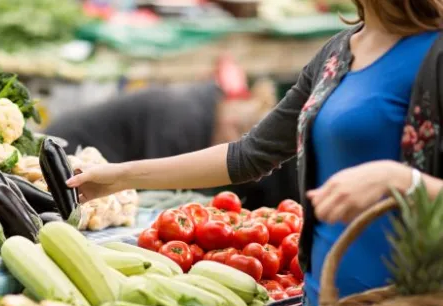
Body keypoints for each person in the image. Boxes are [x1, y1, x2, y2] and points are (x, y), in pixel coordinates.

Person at [65, 1, 443, 306]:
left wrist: (403, 181)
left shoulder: (434, 53)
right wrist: (118, 176)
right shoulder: (337, 53)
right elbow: (248, 155)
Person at [45, 79, 300, 209]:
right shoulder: (182, 120)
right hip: (68, 150)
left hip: (103, 159)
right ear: (233, 123)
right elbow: (160, 185)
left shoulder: (202, 108)